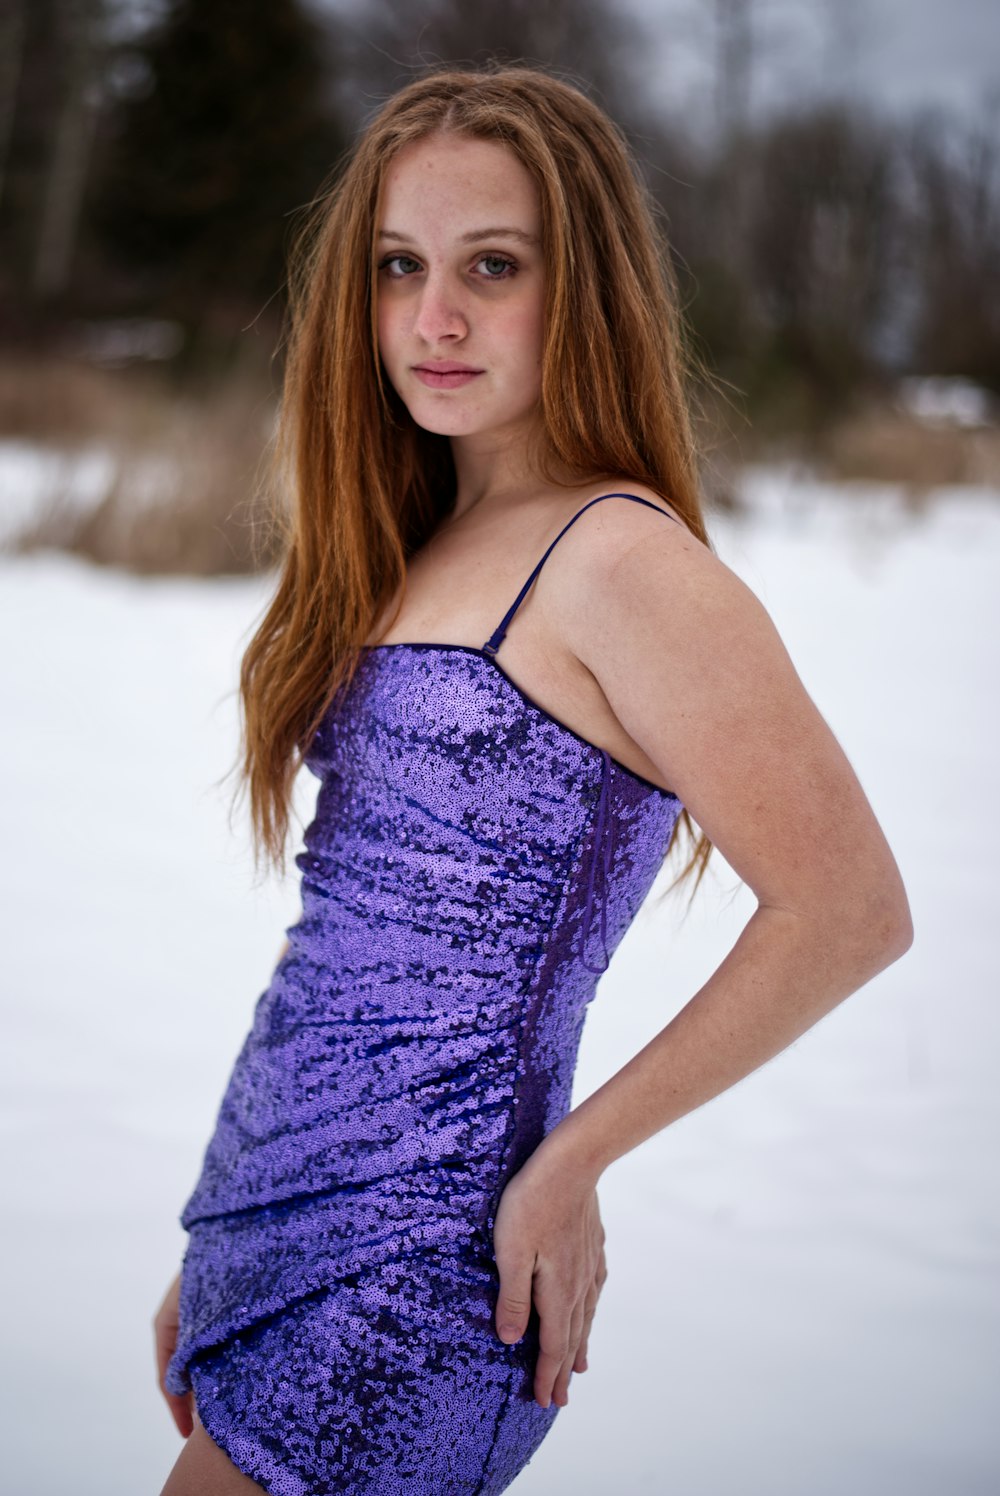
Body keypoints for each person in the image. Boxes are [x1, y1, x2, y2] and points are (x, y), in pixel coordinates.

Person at [154, 63, 913, 1496]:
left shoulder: (622, 564)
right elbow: (343, 949)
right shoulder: (418, 537)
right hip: (284, 1218)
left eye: (491, 267)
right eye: (400, 266)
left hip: (429, 1271)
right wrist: (230, 1222)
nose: (433, 318)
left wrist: (571, 1163)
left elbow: (851, 908)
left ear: (589, 288)